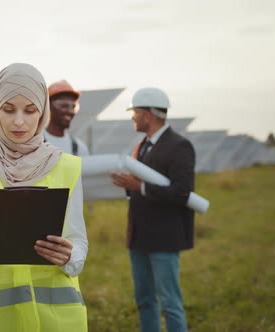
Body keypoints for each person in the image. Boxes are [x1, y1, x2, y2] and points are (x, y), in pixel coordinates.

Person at [0, 63, 88, 331]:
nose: (19, 121)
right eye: (8, 110)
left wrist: (70, 256)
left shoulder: (67, 167)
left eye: (30, 110)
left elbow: (78, 242)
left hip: (56, 323)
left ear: (42, 112)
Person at [112, 87, 195, 332]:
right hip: (139, 236)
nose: (132, 118)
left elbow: (182, 192)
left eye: (135, 113)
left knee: (170, 302)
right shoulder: (142, 146)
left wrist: (139, 186)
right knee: (145, 301)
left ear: (148, 115)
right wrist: (128, 185)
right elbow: (140, 187)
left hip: (164, 238)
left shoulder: (180, 146)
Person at [43, 80, 89, 156]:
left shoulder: (79, 149)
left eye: (73, 107)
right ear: (49, 106)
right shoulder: (33, 145)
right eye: (64, 106)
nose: (70, 111)